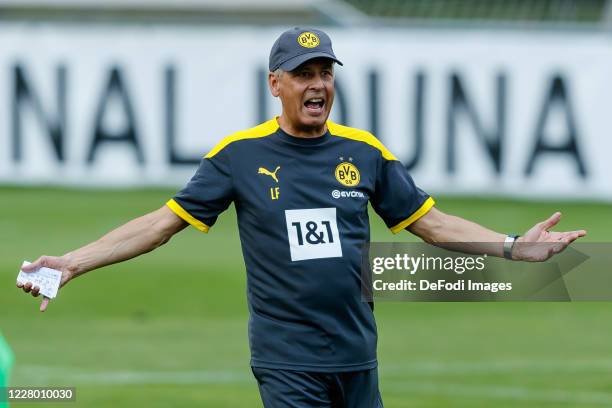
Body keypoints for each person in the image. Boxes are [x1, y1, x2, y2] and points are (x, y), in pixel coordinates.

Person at [17, 27, 586, 407]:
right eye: (303, 73)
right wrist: (73, 262)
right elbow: (160, 223)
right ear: (275, 85)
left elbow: (431, 222)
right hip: (287, 359)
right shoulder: (239, 155)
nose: (318, 84)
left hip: (358, 355)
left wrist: (514, 247)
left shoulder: (365, 153)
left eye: (325, 72)